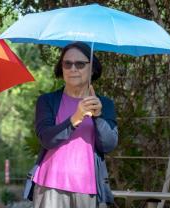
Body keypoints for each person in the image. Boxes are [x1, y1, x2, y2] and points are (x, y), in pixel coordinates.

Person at [32, 42, 118, 208]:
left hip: (88, 188)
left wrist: (98, 116)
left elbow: (108, 145)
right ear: (61, 68)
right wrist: (76, 117)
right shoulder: (47, 101)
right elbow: (46, 139)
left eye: (80, 64)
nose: (73, 69)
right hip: (50, 186)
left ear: (92, 68)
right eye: (67, 64)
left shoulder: (104, 104)